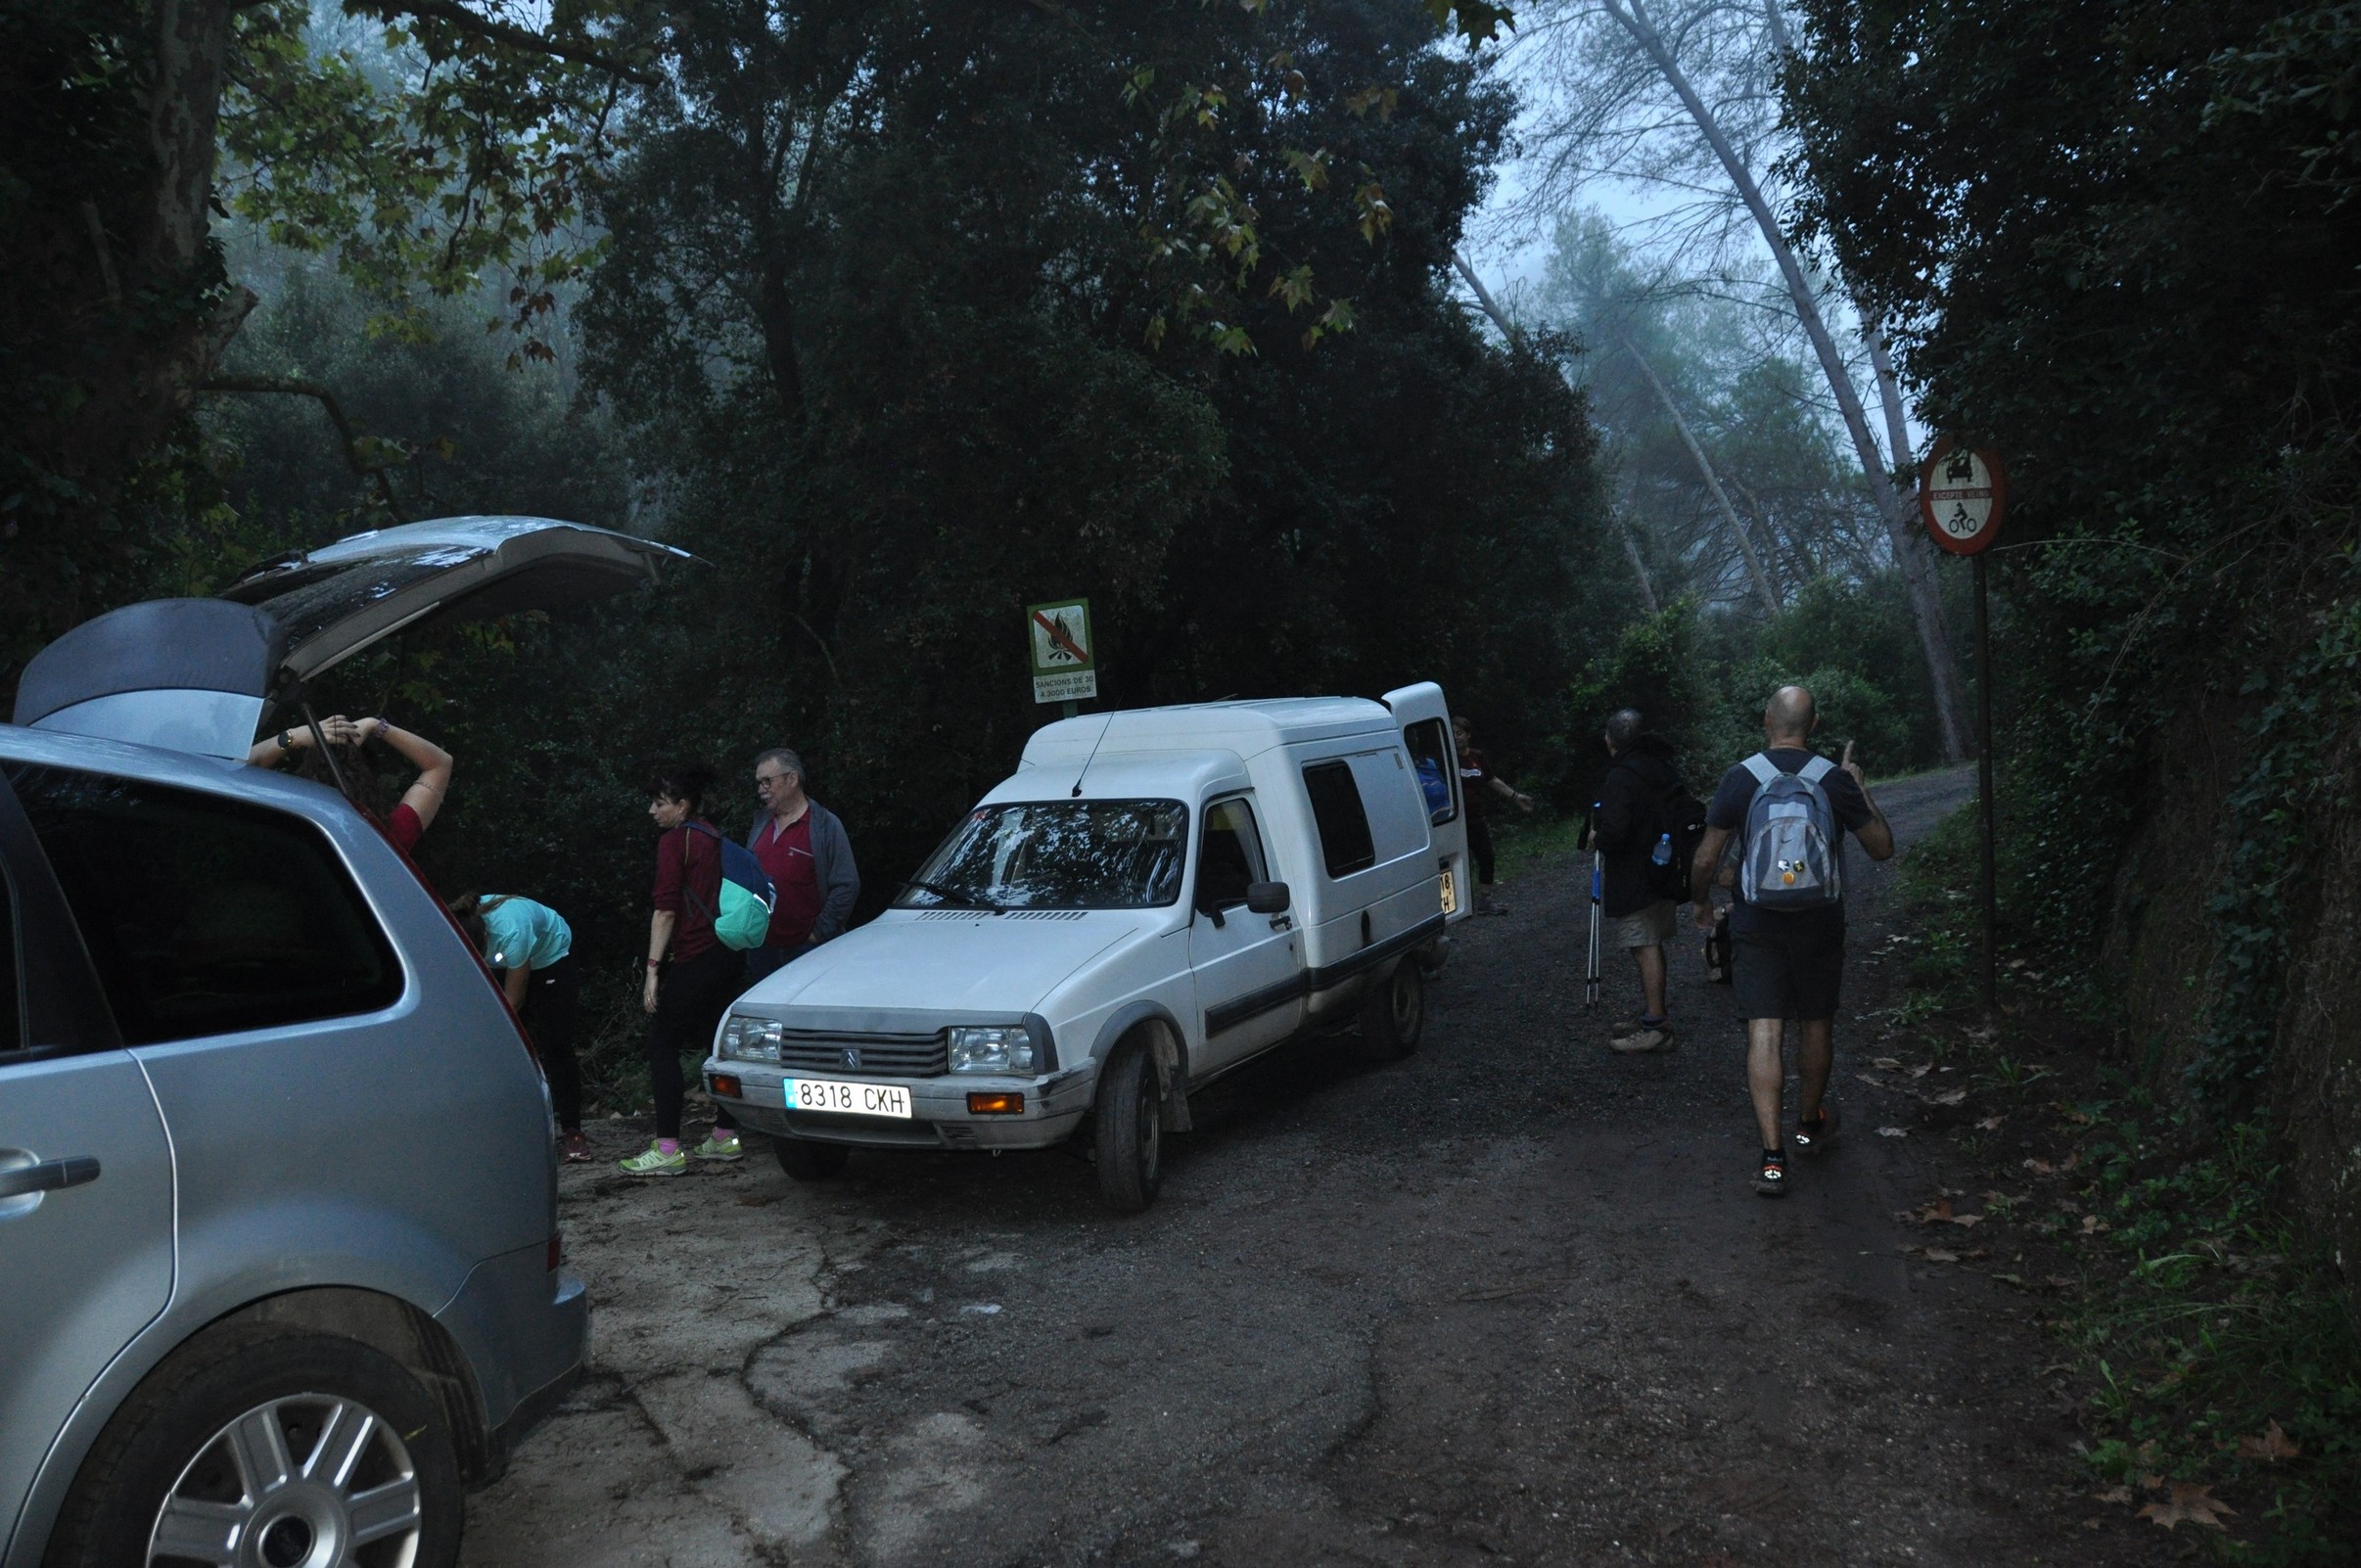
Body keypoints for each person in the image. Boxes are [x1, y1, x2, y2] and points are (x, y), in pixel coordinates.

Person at [1690, 686, 1894, 1198]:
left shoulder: (1741, 777)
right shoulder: (1831, 778)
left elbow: (1706, 859)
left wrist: (1700, 903)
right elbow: (1882, 848)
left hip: (1757, 921)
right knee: (1815, 1023)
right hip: (1820, 920)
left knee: (1765, 1029)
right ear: (1814, 723)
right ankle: (1808, 1125)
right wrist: (1859, 787)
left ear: (1767, 720)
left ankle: (1773, 1160)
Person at [620, 763, 746, 1176]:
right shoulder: (712, 835)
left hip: (695, 956)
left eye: (660, 803)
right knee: (718, 1044)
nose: (652, 811)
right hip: (728, 953)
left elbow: (666, 910)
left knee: (661, 1044)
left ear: (682, 805)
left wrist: (653, 970)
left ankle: (668, 1148)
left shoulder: (676, 841)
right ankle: (725, 1136)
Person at [451, 893, 588, 1164]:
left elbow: (514, 1001)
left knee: (555, 1043)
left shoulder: (512, 931)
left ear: (485, 937)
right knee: (501, 1048)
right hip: (502, 957)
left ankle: (573, 1133)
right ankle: (505, 1129)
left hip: (550, 956)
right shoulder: (453, 929)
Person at [1592, 708, 1686, 1054]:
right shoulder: (1660, 766)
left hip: (1636, 876)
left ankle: (1656, 1027)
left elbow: (1616, 831)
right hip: (1664, 867)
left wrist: (1598, 838)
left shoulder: (1622, 776)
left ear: (1610, 739)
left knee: (1644, 946)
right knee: (1651, 943)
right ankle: (1652, 1015)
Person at [248, 714, 453, 853]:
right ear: (370, 776)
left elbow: (234, 772)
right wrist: (376, 725)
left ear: (307, 769)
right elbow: (440, 764)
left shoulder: (286, 823)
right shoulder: (388, 837)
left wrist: (292, 736)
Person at [743, 747, 860, 987]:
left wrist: (818, 934)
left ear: (792, 778)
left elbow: (847, 885)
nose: (761, 789)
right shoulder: (761, 824)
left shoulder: (825, 826)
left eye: (767, 781)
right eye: (759, 783)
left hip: (808, 950)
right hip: (762, 948)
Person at [1453, 715, 1534, 914]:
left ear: (1468, 735)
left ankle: (1485, 900)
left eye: (1459, 733)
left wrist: (1515, 796)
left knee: (1486, 856)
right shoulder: (1448, 758)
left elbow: (1491, 780)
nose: (1456, 737)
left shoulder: (1477, 757)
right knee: (1455, 862)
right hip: (1454, 820)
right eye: (1452, 734)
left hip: (1475, 817)